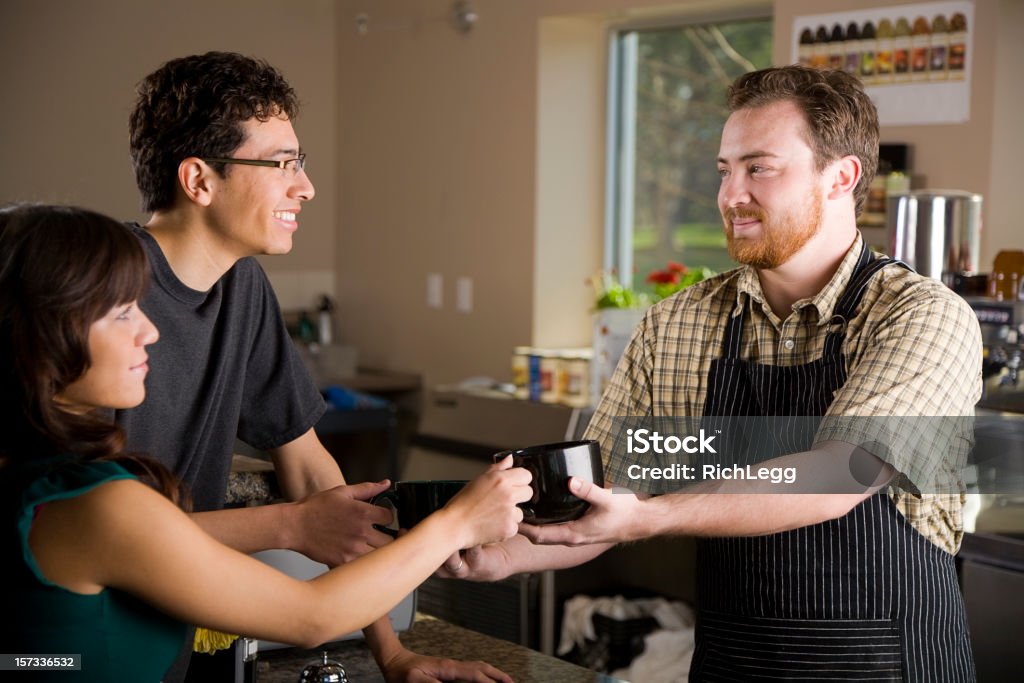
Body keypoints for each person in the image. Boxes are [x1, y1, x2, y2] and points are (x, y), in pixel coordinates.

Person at [447, 66, 982, 681]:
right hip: (735, 665)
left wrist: (653, 516)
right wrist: (497, 556)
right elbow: (609, 494)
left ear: (842, 177)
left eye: (760, 167)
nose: (731, 195)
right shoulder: (678, 326)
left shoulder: (921, 316)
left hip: (889, 667)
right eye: (725, 170)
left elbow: (843, 472)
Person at [0, 203, 531, 683]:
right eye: (121, 314)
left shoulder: (40, 477)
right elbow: (312, 616)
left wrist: (391, 653)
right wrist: (458, 522)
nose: (150, 332)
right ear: (46, 337)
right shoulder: (100, 505)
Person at [117, 51, 509, 682]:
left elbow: (308, 467)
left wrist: (392, 653)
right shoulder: (100, 294)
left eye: (300, 163)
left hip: (161, 649)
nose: (305, 186)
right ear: (199, 181)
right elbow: (114, 533)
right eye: (281, 164)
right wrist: (296, 525)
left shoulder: (240, 287)